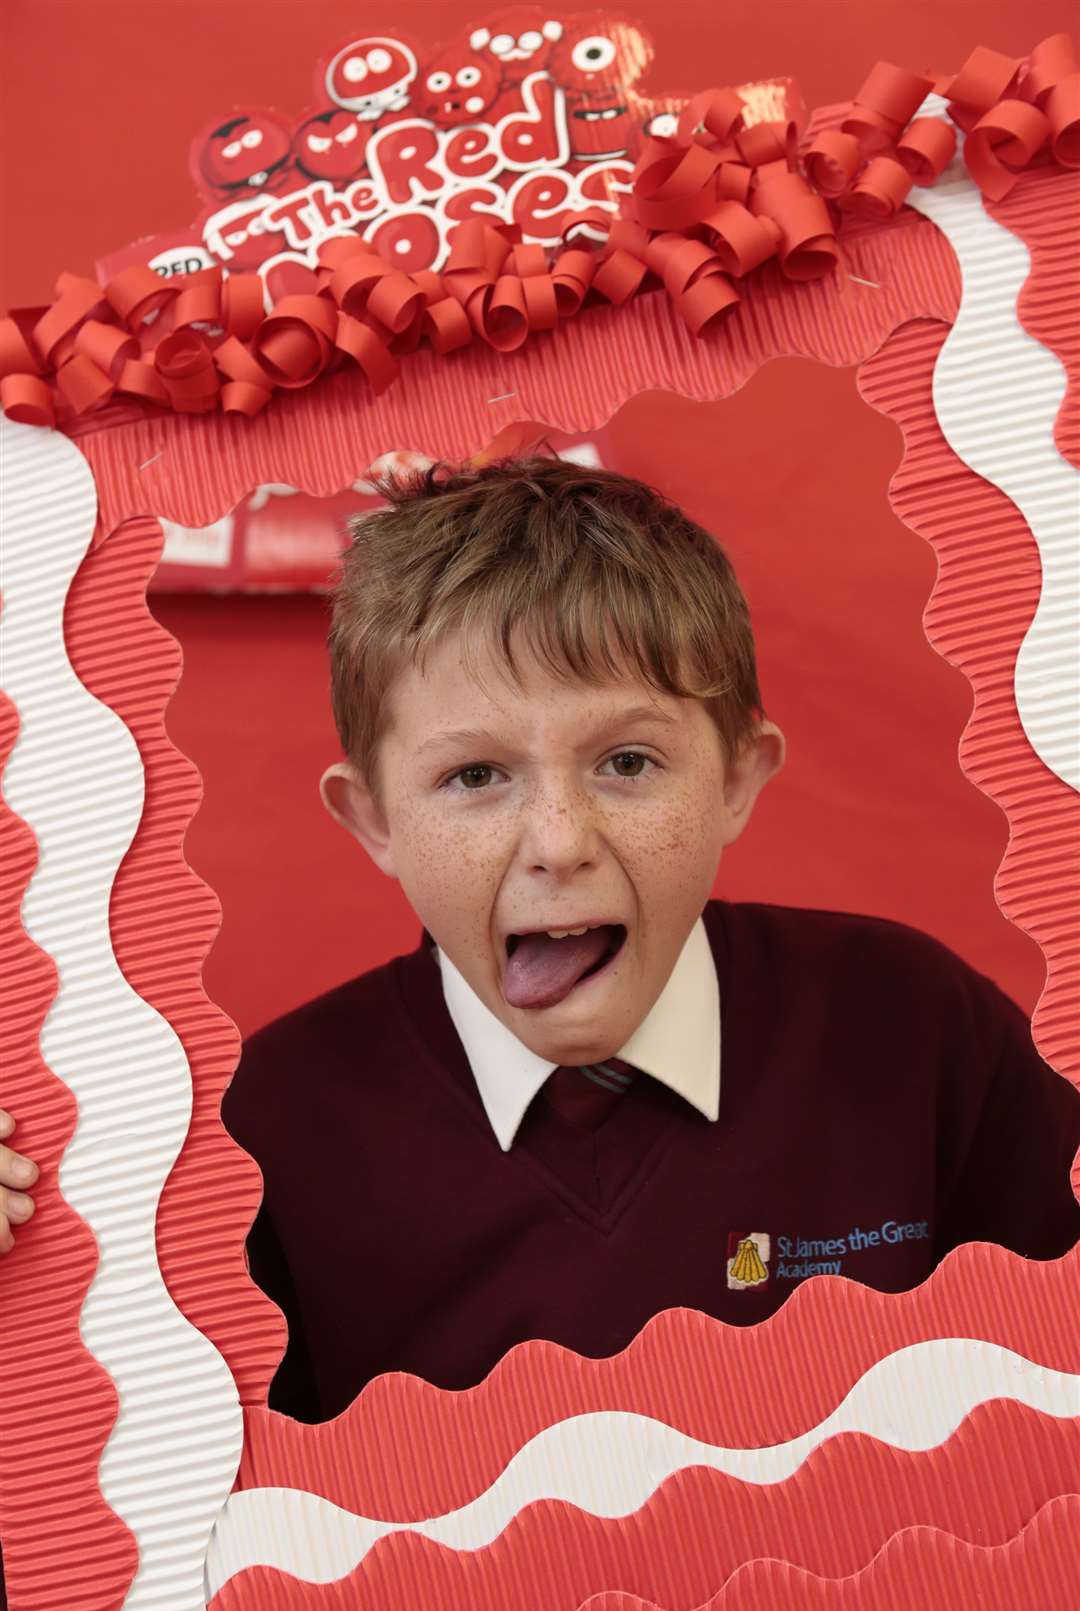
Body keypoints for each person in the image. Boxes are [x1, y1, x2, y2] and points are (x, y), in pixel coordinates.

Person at [3, 458, 1079, 1436]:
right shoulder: (256, 1138)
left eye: (627, 762)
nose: (559, 844)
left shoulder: (911, 1022)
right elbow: (151, 1512)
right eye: (474, 778)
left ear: (739, 778)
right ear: (372, 820)